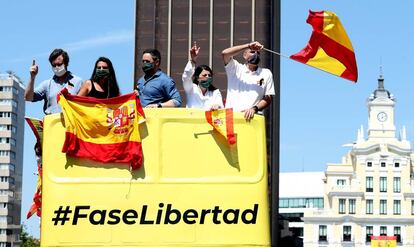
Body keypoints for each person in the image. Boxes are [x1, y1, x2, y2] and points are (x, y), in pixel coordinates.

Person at [222, 41, 275, 120]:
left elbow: (268, 97)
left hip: (251, 119)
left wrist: (254, 109)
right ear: (245, 55)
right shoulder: (235, 68)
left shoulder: (266, 73)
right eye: (252, 51)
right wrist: (248, 46)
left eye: (258, 53)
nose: (255, 55)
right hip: (231, 117)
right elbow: (225, 53)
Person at [25, 48, 82, 115]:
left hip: (71, 122)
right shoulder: (47, 84)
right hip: (52, 123)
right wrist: (32, 77)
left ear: (66, 63)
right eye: (54, 65)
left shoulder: (78, 82)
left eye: (59, 64)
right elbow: (28, 97)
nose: (57, 67)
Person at [182, 43, 223, 110]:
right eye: (204, 75)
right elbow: (186, 76)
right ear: (197, 78)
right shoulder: (191, 89)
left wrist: (217, 106)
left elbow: (221, 107)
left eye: (209, 75)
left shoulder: (215, 92)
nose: (207, 77)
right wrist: (193, 60)